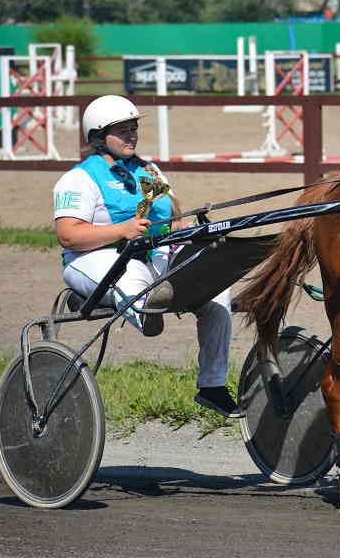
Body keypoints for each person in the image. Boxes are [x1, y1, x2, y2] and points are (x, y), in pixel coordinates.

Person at [52, 95, 242, 418]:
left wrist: (187, 224)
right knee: (131, 277)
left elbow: (171, 213)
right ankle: (147, 310)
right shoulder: (79, 178)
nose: (132, 135)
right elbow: (68, 234)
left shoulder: (148, 171)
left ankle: (212, 386)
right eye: (122, 130)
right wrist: (120, 230)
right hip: (93, 260)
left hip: (150, 257)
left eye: (134, 128)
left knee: (216, 289)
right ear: (98, 136)